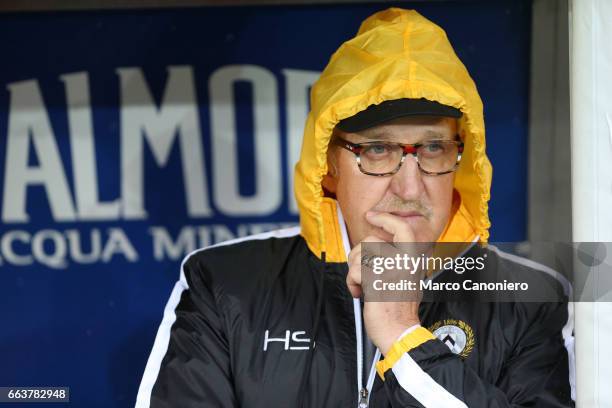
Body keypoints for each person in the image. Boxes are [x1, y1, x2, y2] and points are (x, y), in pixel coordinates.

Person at [136, 8, 574, 407]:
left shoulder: (534, 298)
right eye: (378, 149)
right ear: (328, 166)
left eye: (434, 148)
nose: (409, 185)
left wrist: (405, 337)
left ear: (464, 159)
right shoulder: (225, 283)